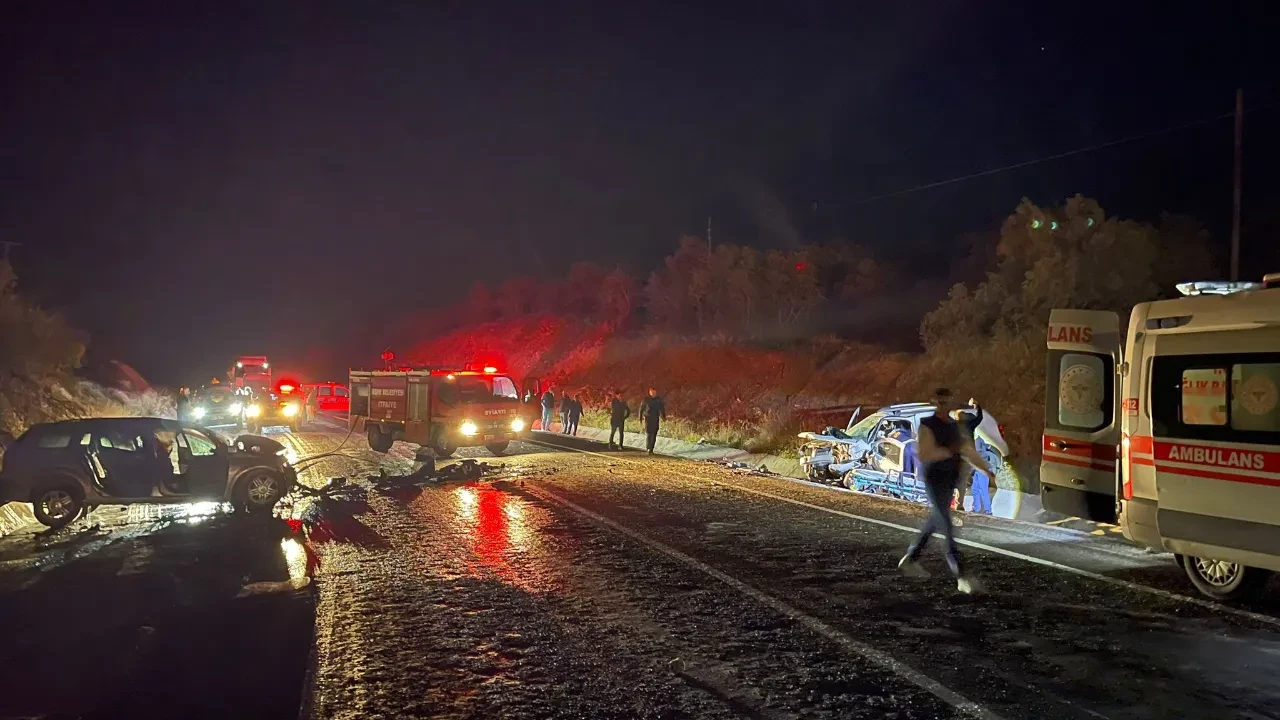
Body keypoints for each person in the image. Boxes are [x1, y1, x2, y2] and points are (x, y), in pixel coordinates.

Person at [898, 388, 992, 594]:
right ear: (935, 402)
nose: (943, 406)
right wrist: (949, 451)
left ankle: (910, 559)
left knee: (936, 520)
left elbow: (968, 450)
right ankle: (961, 576)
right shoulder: (927, 425)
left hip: (951, 478)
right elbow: (925, 454)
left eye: (946, 402)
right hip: (934, 479)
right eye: (940, 402)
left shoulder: (956, 426)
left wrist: (986, 470)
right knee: (946, 524)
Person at [638, 387, 666, 455]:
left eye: (655, 392)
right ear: (650, 392)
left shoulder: (658, 400)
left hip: (655, 418)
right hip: (648, 418)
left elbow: (662, 408)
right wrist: (640, 418)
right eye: (652, 392)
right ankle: (648, 448)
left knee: (654, 433)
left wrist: (663, 417)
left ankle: (651, 448)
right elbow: (641, 409)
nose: (654, 393)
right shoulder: (646, 399)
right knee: (649, 433)